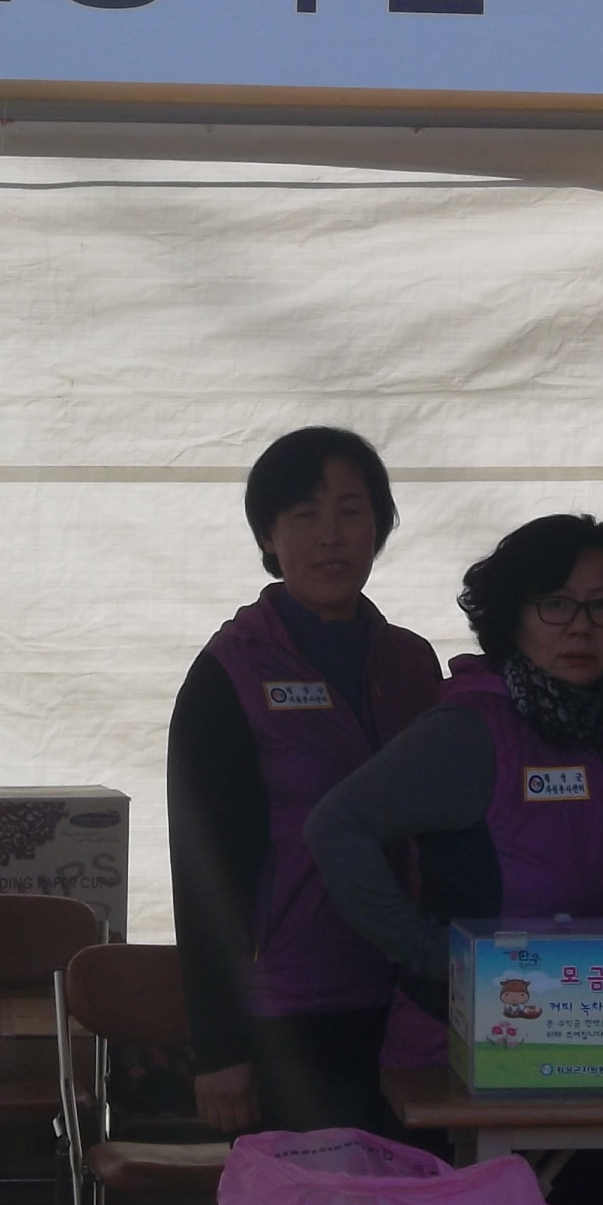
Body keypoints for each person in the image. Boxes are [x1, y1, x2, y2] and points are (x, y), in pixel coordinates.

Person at [308, 514, 603, 1205]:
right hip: (466, 1060)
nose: (581, 626)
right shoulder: (472, 729)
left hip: (598, 1048)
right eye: (555, 603)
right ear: (512, 614)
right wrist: (427, 950)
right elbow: (337, 827)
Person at [168, 427, 444, 1136]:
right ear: (268, 536)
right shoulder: (230, 672)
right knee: (311, 1204)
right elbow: (202, 873)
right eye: (304, 515)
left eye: (352, 511)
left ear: (380, 526)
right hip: (288, 1010)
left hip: (409, 1000)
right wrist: (220, 1047)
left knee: (415, 1198)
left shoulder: (413, 665)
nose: (331, 536)